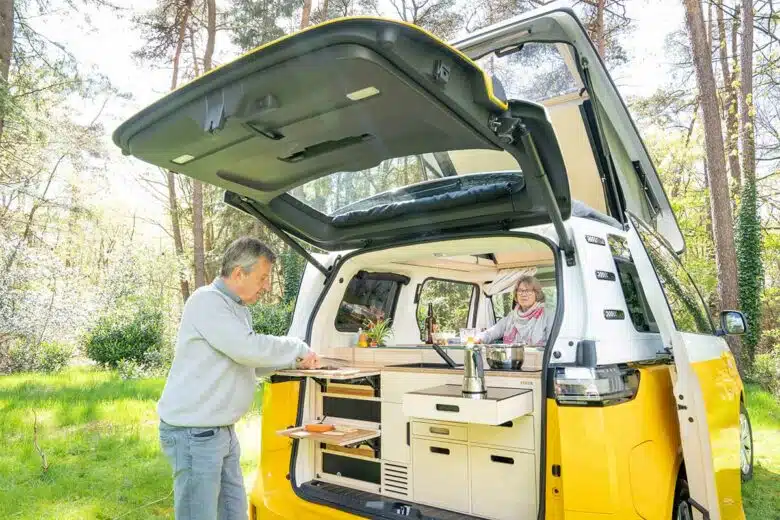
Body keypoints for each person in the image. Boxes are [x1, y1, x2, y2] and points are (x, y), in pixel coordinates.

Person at [157, 237, 320, 520]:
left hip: (220, 430)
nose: (267, 286)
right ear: (238, 274)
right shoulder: (207, 302)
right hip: (194, 432)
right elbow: (247, 348)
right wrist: (298, 348)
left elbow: (248, 363)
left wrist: (295, 364)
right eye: (263, 277)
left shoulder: (237, 309)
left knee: (234, 512)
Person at [478, 275, 554, 347]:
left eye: (528, 290)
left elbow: (553, 344)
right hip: (512, 359)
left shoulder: (548, 315)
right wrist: (477, 338)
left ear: (537, 293)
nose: (523, 294)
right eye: (520, 290)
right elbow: (491, 333)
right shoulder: (511, 317)